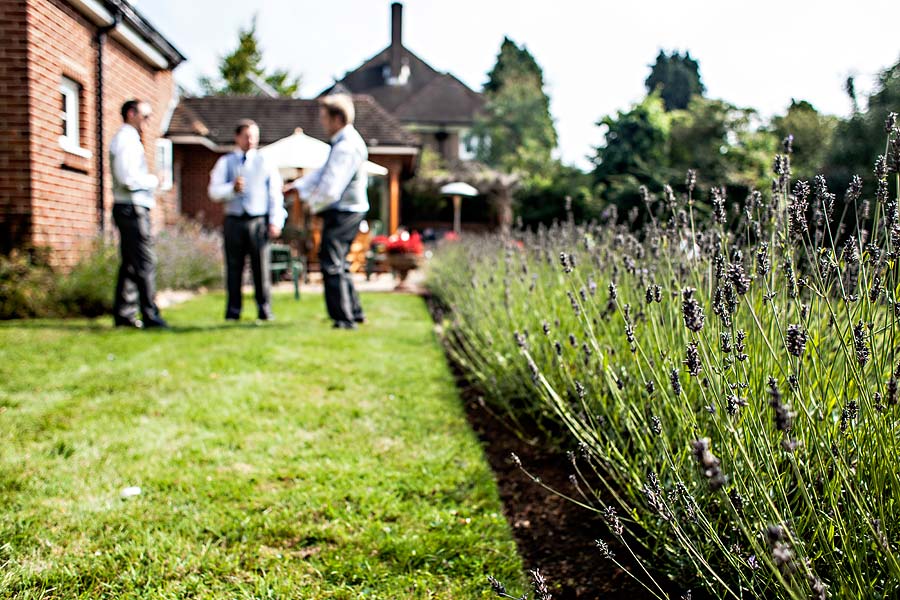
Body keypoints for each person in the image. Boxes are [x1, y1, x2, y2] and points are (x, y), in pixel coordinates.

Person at [285, 94, 367, 329]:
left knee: (331, 262)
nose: (322, 123)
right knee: (339, 263)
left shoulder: (346, 147)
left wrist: (312, 204)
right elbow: (322, 173)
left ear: (337, 118)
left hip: (344, 210)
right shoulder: (343, 143)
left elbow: (331, 187)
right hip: (348, 209)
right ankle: (354, 312)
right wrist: (298, 186)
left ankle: (343, 319)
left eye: (324, 117)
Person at [208, 119, 286, 321]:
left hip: (258, 221)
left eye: (254, 136)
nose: (251, 140)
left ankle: (264, 309)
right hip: (233, 221)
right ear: (237, 137)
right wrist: (230, 189)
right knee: (234, 268)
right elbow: (214, 191)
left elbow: (275, 195)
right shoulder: (225, 162)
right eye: (247, 136)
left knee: (261, 267)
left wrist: (276, 221)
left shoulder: (266, 162)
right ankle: (233, 311)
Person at [110, 99, 168, 329]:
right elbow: (127, 178)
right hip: (131, 208)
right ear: (131, 113)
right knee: (145, 262)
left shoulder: (130, 139)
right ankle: (150, 314)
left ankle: (124, 314)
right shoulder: (126, 139)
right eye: (145, 116)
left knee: (131, 264)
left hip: (130, 207)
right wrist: (154, 180)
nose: (147, 122)